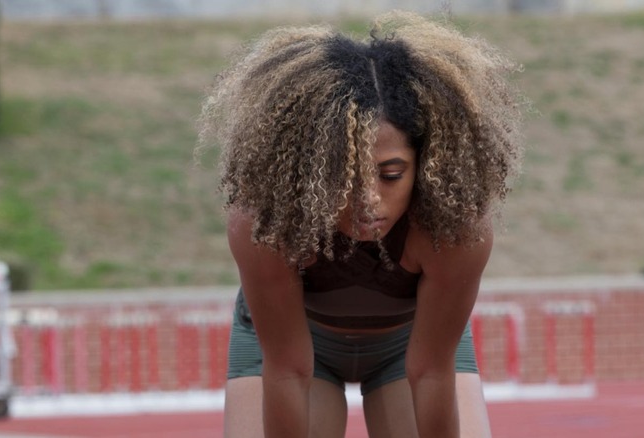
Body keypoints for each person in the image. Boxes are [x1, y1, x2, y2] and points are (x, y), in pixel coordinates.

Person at [198, 10, 524, 438]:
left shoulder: (457, 228)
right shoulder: (266, 221)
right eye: (340, 177)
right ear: (308, 169)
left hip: (411, 341)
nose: (367, 199)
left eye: (390, 175)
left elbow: (430, 373)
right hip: (293, 345)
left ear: (426, 166)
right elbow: (288, 372)